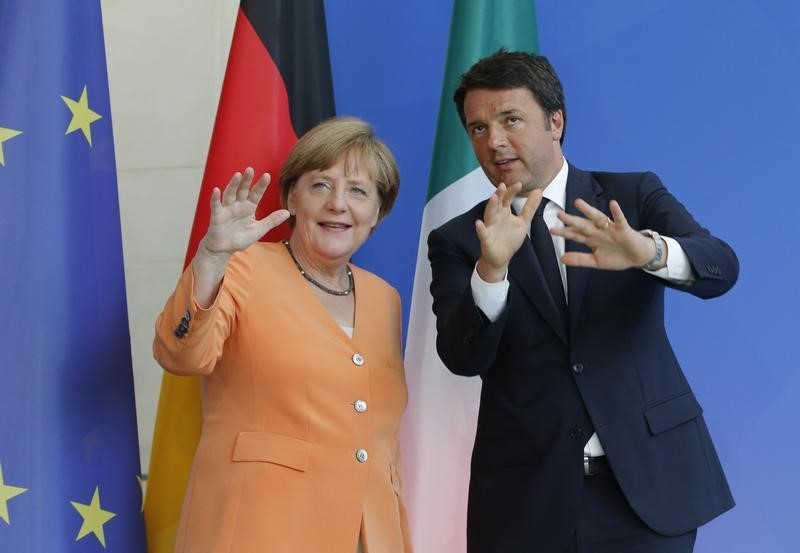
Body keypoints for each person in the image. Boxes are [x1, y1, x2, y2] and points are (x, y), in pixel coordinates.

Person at [428, 49, 737, 553]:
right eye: (478, 128)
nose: (495, 141)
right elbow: (462, 358)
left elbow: (720, 265)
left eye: (510, 119)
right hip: (526, 500)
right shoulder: (460, 239)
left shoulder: (630, 196)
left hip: (646, 491)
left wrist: (649, 251)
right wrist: (491, 271)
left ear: (555, 121)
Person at [153, 117, 411, 553]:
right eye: (321, 186)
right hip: (258, 532)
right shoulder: (242, 267)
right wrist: (212, 258)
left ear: (378, 214)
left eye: (358, 191)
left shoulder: (385, 299)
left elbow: (380, 444)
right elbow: (180, 355)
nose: (338, 204)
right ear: (292, 197)